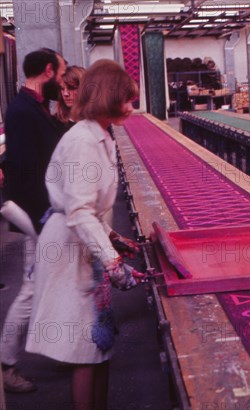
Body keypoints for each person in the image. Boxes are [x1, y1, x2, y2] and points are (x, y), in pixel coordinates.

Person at [25, 59, 142, 410]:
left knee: (99, 346)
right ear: (108, 98)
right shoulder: (82, 142)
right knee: (84, 347)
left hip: (82, 241)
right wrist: (112, 260)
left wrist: (114, 237)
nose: (132, 108)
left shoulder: (101, 135)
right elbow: (77, 212)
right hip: (68, 249)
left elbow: (88, 206)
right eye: (127, 100)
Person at [1, 48, 67, 393]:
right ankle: (6, 365)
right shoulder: (24, 111)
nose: (63, 82)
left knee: (47, 285)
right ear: (47, 71)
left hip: (42, 215)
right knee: (29, 291)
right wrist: (45, 223)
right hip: (36, 217)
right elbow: (26, 174)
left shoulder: (32, 107)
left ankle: (58, 349)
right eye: (61, 74)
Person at [53, 65, 86, 134]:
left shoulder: (99, 120)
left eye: (71, 88)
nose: (65, 94)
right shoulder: (55, 123)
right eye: (62, 89)